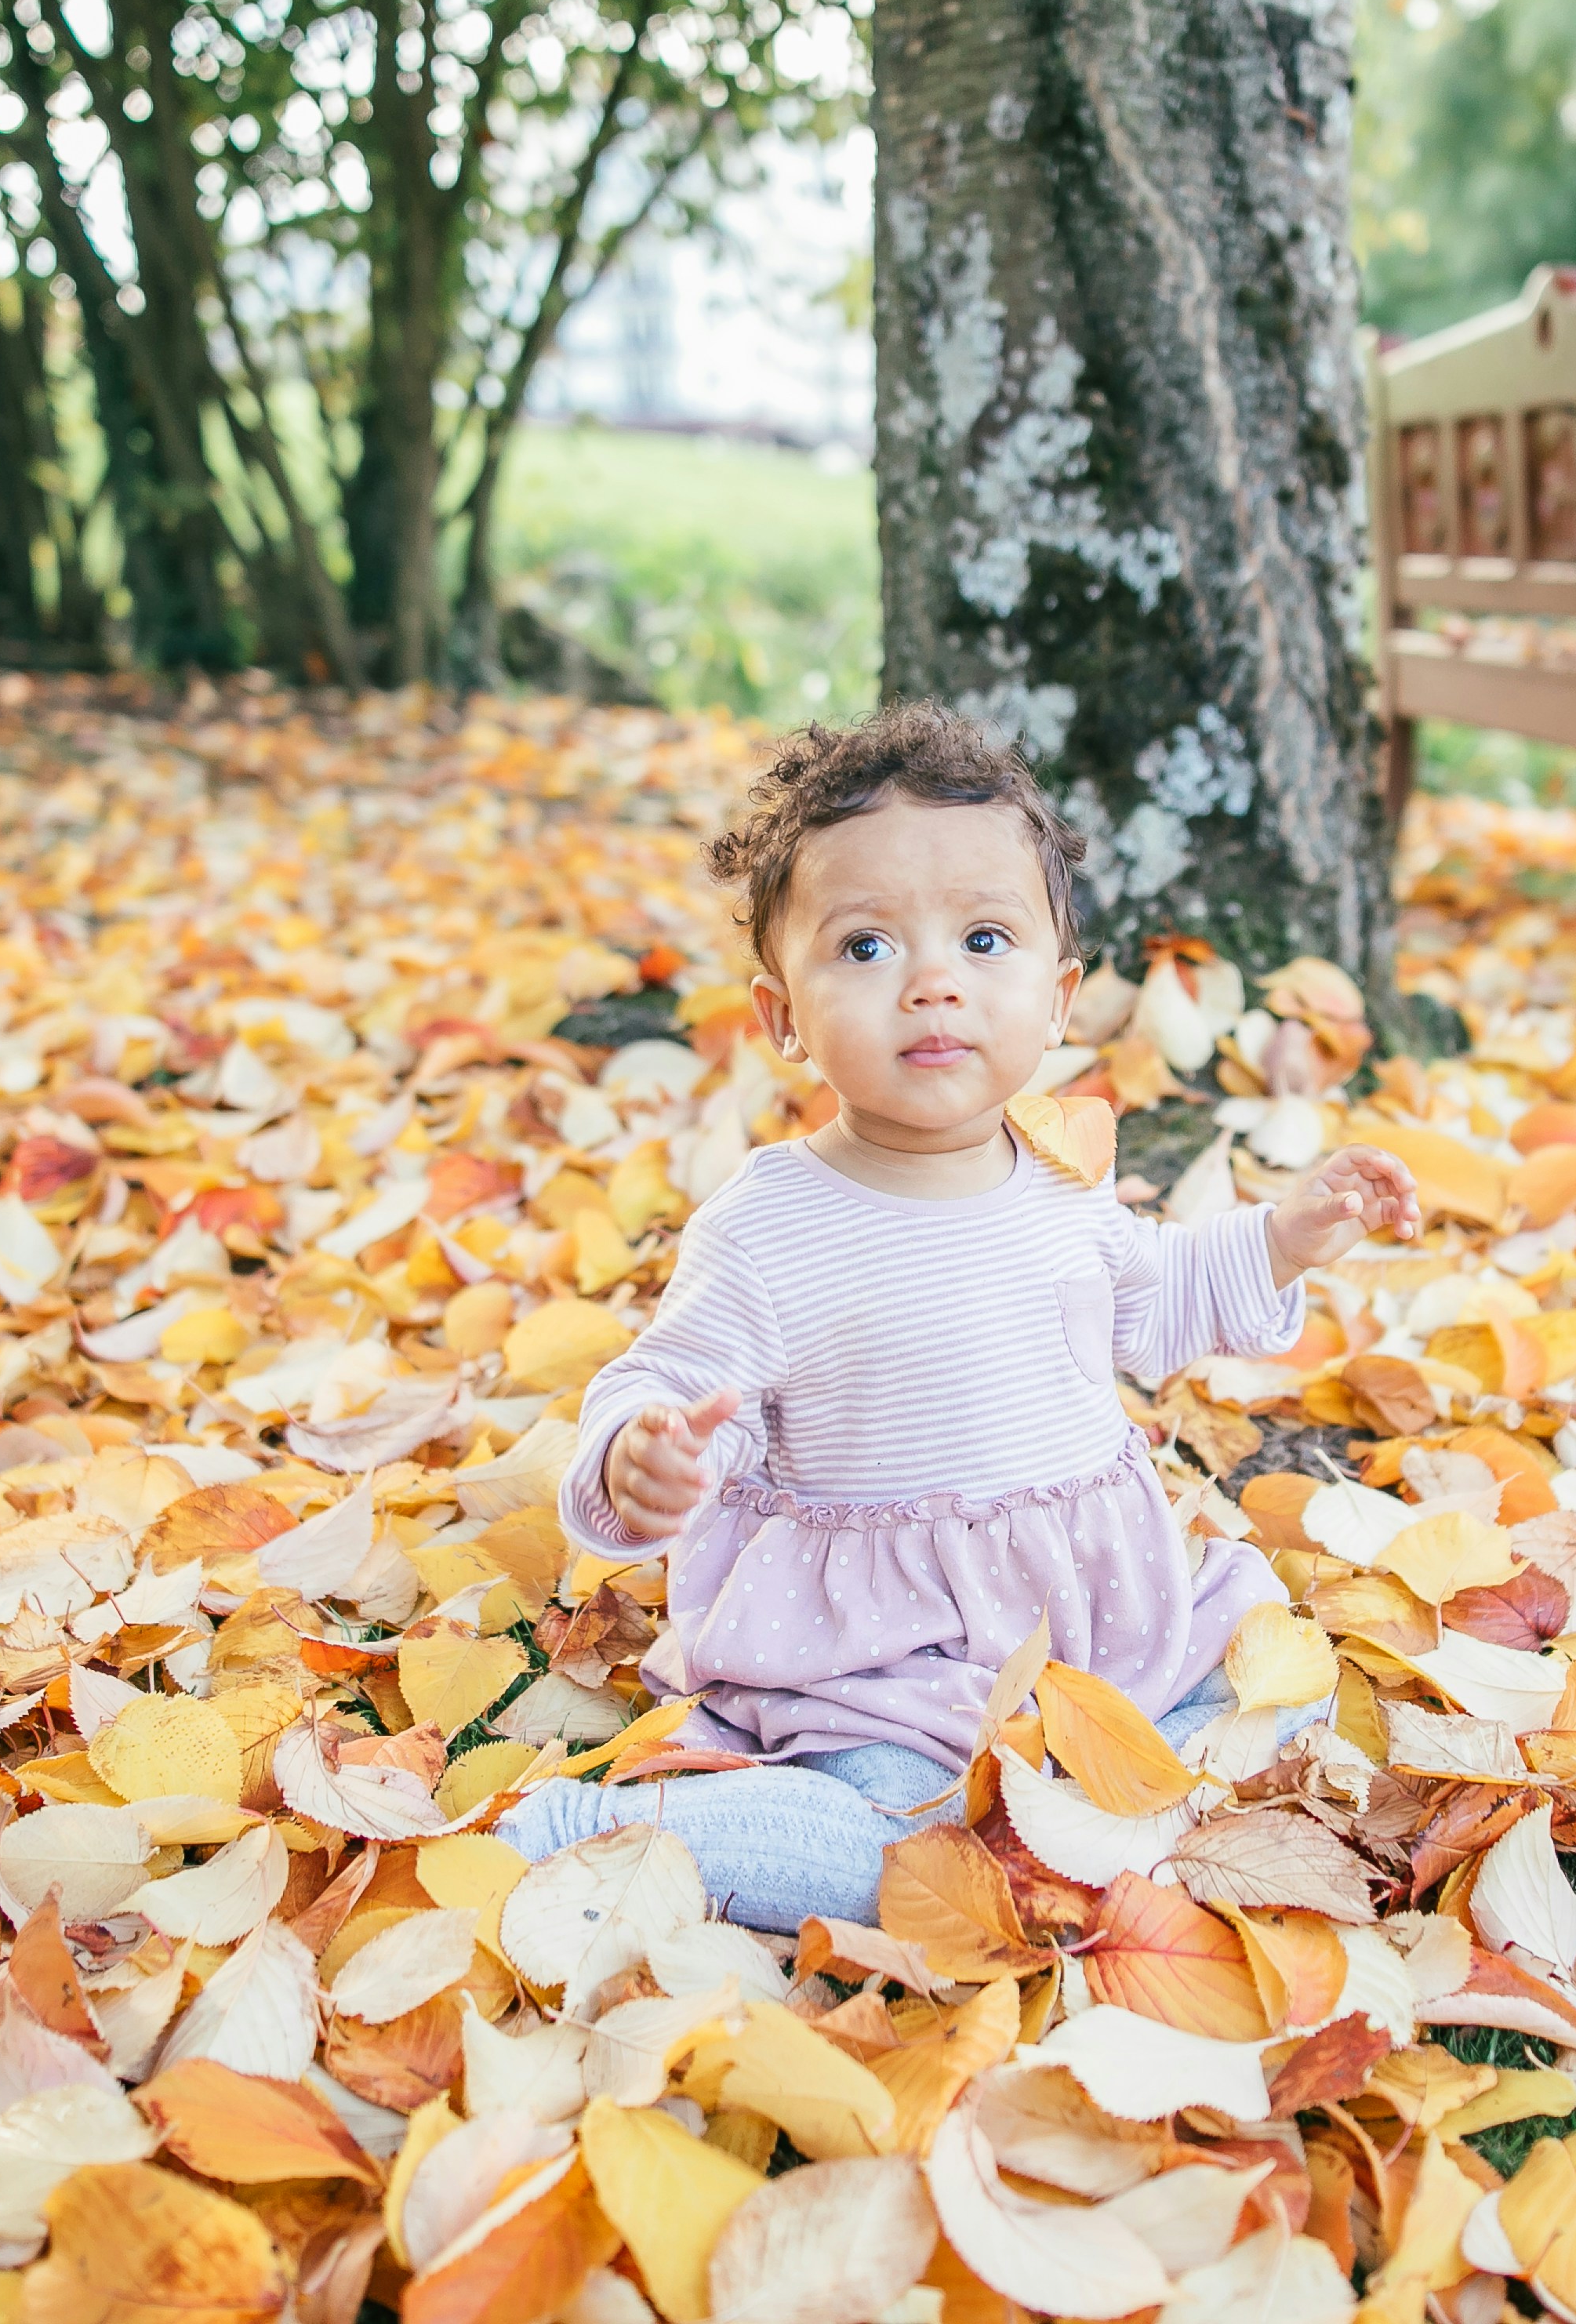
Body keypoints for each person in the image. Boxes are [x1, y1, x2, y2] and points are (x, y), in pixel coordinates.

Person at [495, 702, 1420, 1930]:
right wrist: (647, 1455)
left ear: (1059, 1000)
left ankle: (1118, 1806)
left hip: (1095, 1627)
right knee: (915, 1856)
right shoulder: (771, 1226)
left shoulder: (1060, 1184)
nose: (934, 983)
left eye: (985, 939)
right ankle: (600, 1835)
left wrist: (1290, 1233)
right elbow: (665, 1380)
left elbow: (1159, 1298)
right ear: (782, 1018)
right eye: (868, 950)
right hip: (884, 1663)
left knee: (1281, 1684)